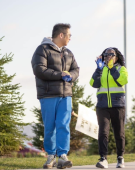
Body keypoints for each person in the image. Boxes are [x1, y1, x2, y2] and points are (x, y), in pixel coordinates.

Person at [31, 23, 79, 169]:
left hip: (66, 96)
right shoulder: (42, 49)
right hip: (48, 95)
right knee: (50, 127)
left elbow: (76, 69)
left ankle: (63, 156)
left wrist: (71, 75)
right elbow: (39, 70)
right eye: (69, 35)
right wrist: (60, 75)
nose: (70, 38)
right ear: (61, 35)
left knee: (63, 125)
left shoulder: (69, 53)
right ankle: (51, 156)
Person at [90, 47, 128, 169]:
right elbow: (93, 84)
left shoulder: (121, 69)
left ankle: (120, 158)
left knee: (119, 133)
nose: (109, 57)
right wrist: (98, 70)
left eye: (112, 55)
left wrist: (111, 68)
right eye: (106, 55)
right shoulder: (101, 69)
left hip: (118, 105)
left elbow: (122, 80)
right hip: (102, 106)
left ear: (116, 57)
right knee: (103, 132)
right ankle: (103, 159)